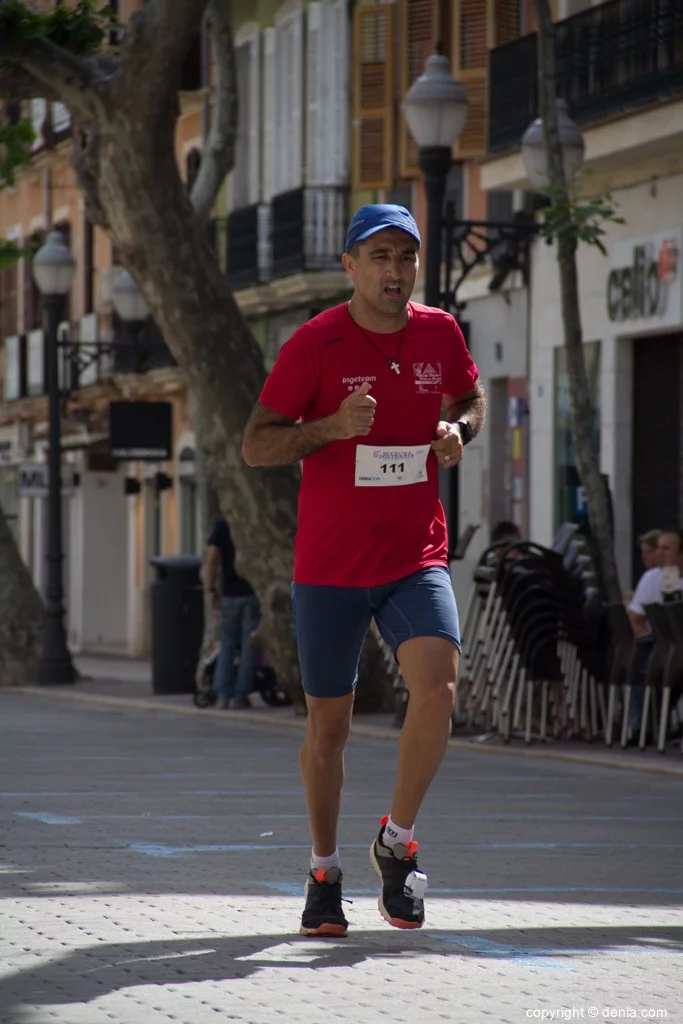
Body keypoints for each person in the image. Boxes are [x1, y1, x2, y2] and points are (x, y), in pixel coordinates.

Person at [242, 204, 486, 936]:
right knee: (329, 730)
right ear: (349, 265)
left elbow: (470, 397)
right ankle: (323, 871)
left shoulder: (438, 331)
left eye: (405, 258)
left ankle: (396, 842)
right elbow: (256, 445)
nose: (394, 271)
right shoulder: (315, 343)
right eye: (379, 256)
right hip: (330, 566)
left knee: (438, 688)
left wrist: (458, 430)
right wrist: (329, 429)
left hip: (414, 555)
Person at [626, 527, 683, 734]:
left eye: (666, 549)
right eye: (657, 548)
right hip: (663, 648)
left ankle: (653, 724)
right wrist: (649, 640)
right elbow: (634, 619)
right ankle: (647, 723)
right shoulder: (654, 578)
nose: (659, 554)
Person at [203, 516, 260, 709]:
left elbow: (211, 559)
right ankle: (240, 695)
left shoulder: (222, 525)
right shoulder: (254, 521)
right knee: (249, 646)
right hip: (253, 593)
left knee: (227, 644)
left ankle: (223, 694)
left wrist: (211, 588)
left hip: (229, 594)